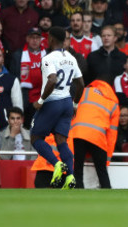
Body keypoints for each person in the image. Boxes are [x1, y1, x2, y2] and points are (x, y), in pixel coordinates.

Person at [31, 26, 84, 189]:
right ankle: (70, 178)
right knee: (62, 141)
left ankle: (57, 164)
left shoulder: (48, 58)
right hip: (67, 102)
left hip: (52, 103)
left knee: (36, 138)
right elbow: (81, 84)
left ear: (51, 39)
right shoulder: (71, 58)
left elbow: (52, 80)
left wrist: (40, 100)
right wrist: (75, 104)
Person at [70, 79, 120, 189]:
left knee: (77, 168)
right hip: (98, 137)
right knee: (102, 170)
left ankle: (78, 196)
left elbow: (71, 114)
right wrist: (107, 159)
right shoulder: (114, 103)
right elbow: (112, 135)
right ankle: (108, 195)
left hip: (78, 133)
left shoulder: (83, 92)